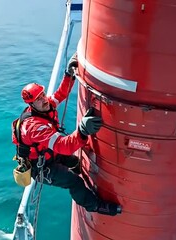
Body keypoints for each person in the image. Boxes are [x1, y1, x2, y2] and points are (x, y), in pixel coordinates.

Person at [11, 54, 122, 216]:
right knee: (73, 181)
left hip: (49, 154)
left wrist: (68, 75)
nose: (44, 99)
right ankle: (94, 205)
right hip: (42, 166)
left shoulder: (44, 106)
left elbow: (60, 94)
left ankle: (86, 185)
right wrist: (82, 131)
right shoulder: (33, 127)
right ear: (31, 105)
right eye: (38, 99)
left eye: (42, 94)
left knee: (75, 162)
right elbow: (64, 147)